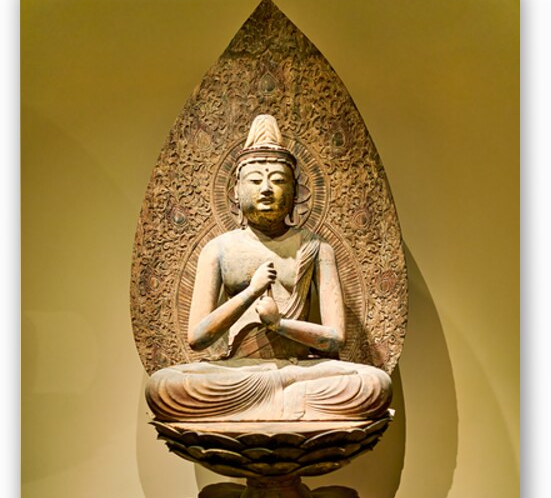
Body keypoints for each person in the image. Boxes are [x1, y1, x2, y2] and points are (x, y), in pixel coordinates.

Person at [146, 115, 392, 422]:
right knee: (164, 386)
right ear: (235, 192)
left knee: (372, 385)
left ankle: (277, 402)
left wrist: (279, 325)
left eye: (277, 180)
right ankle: (280, 404)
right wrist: (251, 292)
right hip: (237, 373)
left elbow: (335, 337)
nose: (266, 189)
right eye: (255, 180)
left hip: (301, 371)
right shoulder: (219, 250)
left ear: (295, 192)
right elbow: (197, 338)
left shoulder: (316, 249)